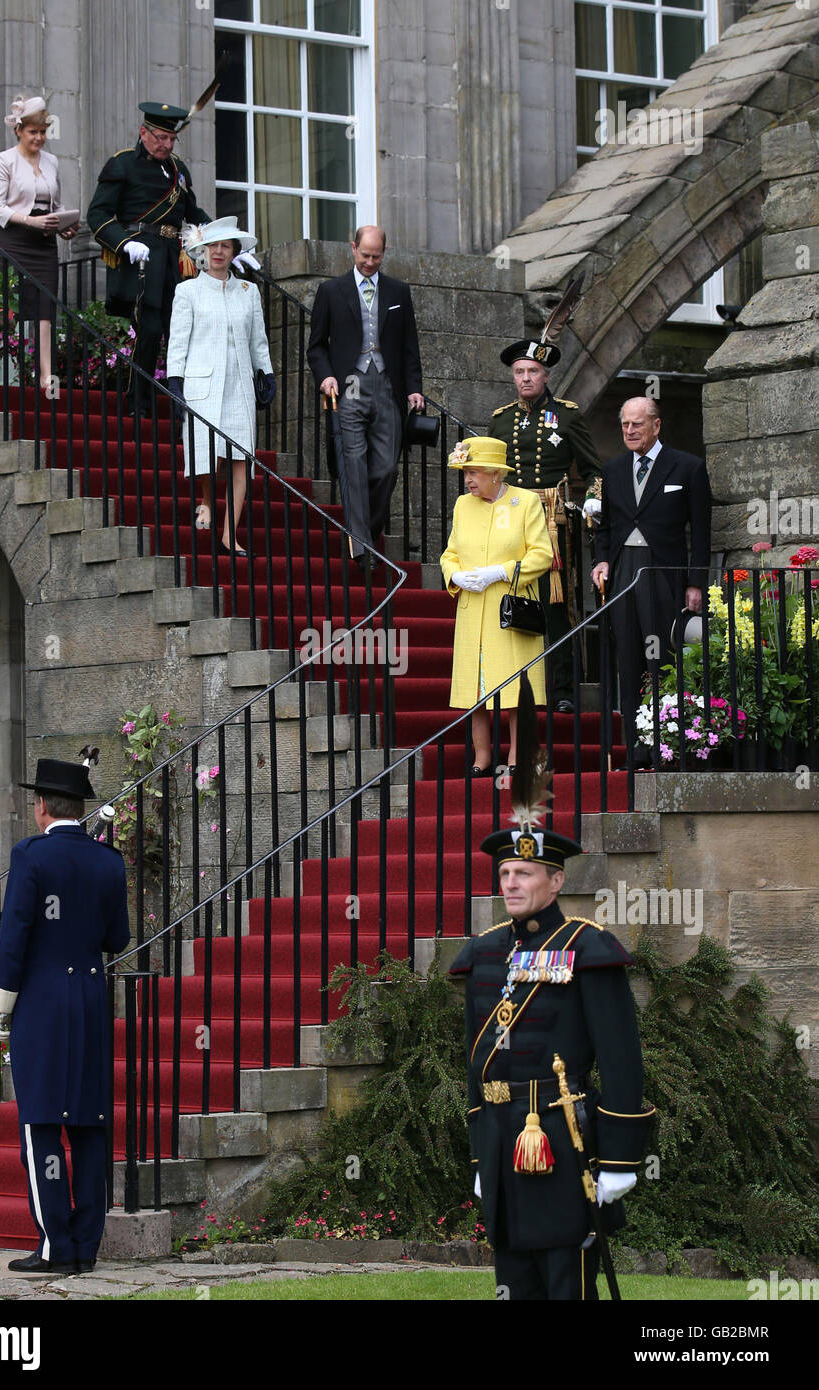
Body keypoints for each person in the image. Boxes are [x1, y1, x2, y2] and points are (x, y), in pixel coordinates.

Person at [449, 813, 654, 1300]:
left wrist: (621, 1160)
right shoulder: (484, 952)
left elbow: (621, 1058)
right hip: (501, 1140)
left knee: (567, 1277)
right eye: (504, 874)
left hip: (563, 1141)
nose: (511, 883)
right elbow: (476, 1066)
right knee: (512, 1278)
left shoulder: (588, 949)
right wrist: (481, 1153)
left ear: (556, 880)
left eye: (524, 873)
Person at [0, 758, 129, 1275]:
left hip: (44, 1003)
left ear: (43, 807)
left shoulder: (30, 856)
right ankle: (85, 1247)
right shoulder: (108, 861)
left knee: (42, 1122)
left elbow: (14, 939)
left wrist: (0, 1008)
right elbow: (117, 939)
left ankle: (55, 1246)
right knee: (90, 1122)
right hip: (90, 1000)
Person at [590, 396, 712, 766]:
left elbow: (702, 533)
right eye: (625, 424)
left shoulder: (687, 467)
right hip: (624, 572)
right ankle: (635, 749)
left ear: (656, 426)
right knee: (628, 659)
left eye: (637, 424)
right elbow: (603, 528)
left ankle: (667, 747)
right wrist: (600, 561)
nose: (629, 431)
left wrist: (695, 582)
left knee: (662, 658)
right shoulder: (610, 470)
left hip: (663, 574)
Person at [489, 337, 603, 712]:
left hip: (555, 520)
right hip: (513, 519)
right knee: (515, 599)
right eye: (520, 372)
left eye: (533, 371)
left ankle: (563, 689)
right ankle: (519, 685)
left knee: (558, 604)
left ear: (546, 375)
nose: (526, 378)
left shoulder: (567, 414)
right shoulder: (500, 418)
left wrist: (592, 499)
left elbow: (593, 470)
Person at [306, 225, 424, 561]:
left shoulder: (398, 292)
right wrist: (326, 377)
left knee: (386, 468)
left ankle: (367, 533)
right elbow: (316, 347)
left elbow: (409, 345)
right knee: (353, 464)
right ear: (353, 248)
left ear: (383, 253)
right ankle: (361, 547)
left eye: (376, 256)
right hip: (350, 386)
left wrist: (415, 388)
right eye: (365, 254)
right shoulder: (331, 291)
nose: (370, 261)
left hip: (386, 386)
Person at [86, 101, 211, 416]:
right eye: (159, 138)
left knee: (180, 333)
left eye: (171, 139)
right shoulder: (123, 164)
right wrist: (123, 242)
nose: (165, 144)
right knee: (149, 330)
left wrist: (226, 240)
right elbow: (98, 214)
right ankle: (138, 404)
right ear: (144, 133)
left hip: (172, 261)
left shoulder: (178, 170)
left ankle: (181, 406)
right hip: (140, 259)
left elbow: (193, 215)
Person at [440, 436, 553, 774]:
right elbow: (450, 554)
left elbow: (542, 555)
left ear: (495, 474)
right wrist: (455, 576)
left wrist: (499, 572)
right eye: (465, 473)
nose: (468, 480)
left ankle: (518, 757)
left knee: (517, 688)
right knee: (476, 688)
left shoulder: (526, 502)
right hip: (473, 609)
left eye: (474, 473)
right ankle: (482, 758)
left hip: (511, 609)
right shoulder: (463, 505)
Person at [165, 216, 275, 555]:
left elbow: (259, 339)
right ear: (202, 250)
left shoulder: (248, 291)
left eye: (225, 246)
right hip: (203, 386)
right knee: (206, 455)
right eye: (213, 245)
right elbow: (179, 341)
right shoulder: (188, 291)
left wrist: (266, 373)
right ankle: (207, 501)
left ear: (233, 252)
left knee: (241, 458)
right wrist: (174, 379)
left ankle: (230, 535)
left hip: (240, 385)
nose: (218, 251)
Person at [0, 97, 80, 389]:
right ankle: (9, 376)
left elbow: (56, 202)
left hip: (44, 241)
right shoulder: (4, 160)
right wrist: (31, 221)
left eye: (43, 131)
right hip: (13, 238)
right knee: (11, 306)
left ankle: (46, 378)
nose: (39, 137)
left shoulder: (52, 161)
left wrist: (64, 226)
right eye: (33, 132)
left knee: (45, 309)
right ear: (19, 131)